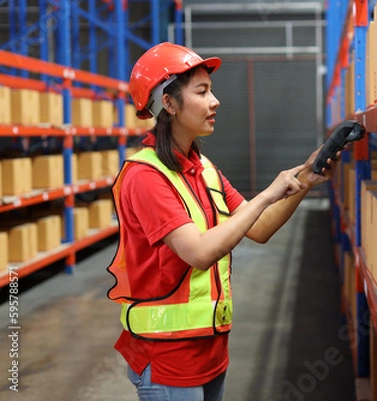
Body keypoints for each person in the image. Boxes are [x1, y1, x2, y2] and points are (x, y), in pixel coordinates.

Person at [106, 42, 340, 401]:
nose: (215, 102)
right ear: (168, 103)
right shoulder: (146, 176)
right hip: (168, 358)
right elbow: (198, 252)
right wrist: (267, 193)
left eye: (211, 91)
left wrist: (306, 179)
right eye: (202, 92)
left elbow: (258, 227)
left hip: (212, 350)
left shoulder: (205, 170)